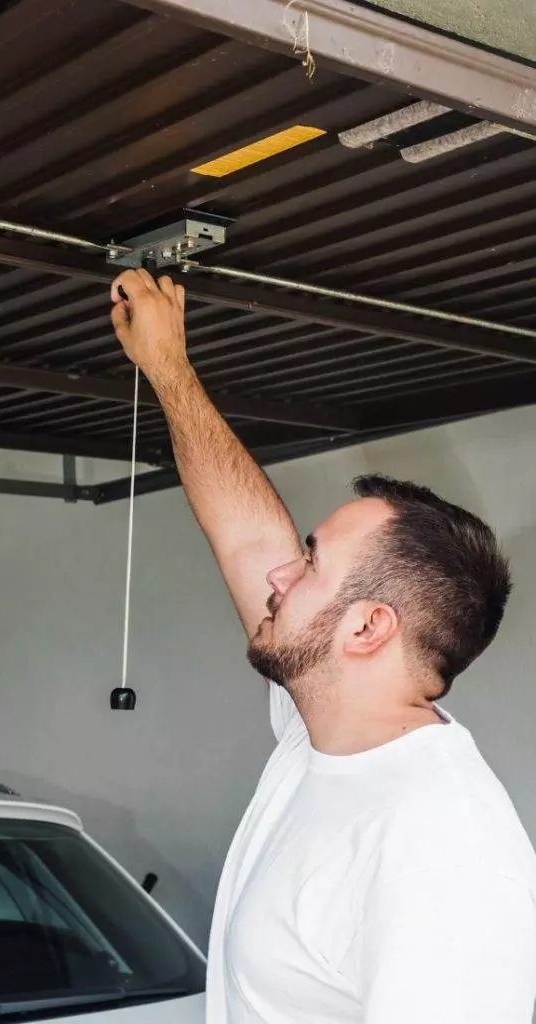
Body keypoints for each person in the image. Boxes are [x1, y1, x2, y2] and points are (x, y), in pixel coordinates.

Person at [110, 268, 536, 1024]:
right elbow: (247, 538)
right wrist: (167, 368)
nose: (280, 571)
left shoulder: (442, 845)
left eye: (309, 561)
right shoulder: (320, 735)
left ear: (367, 628)